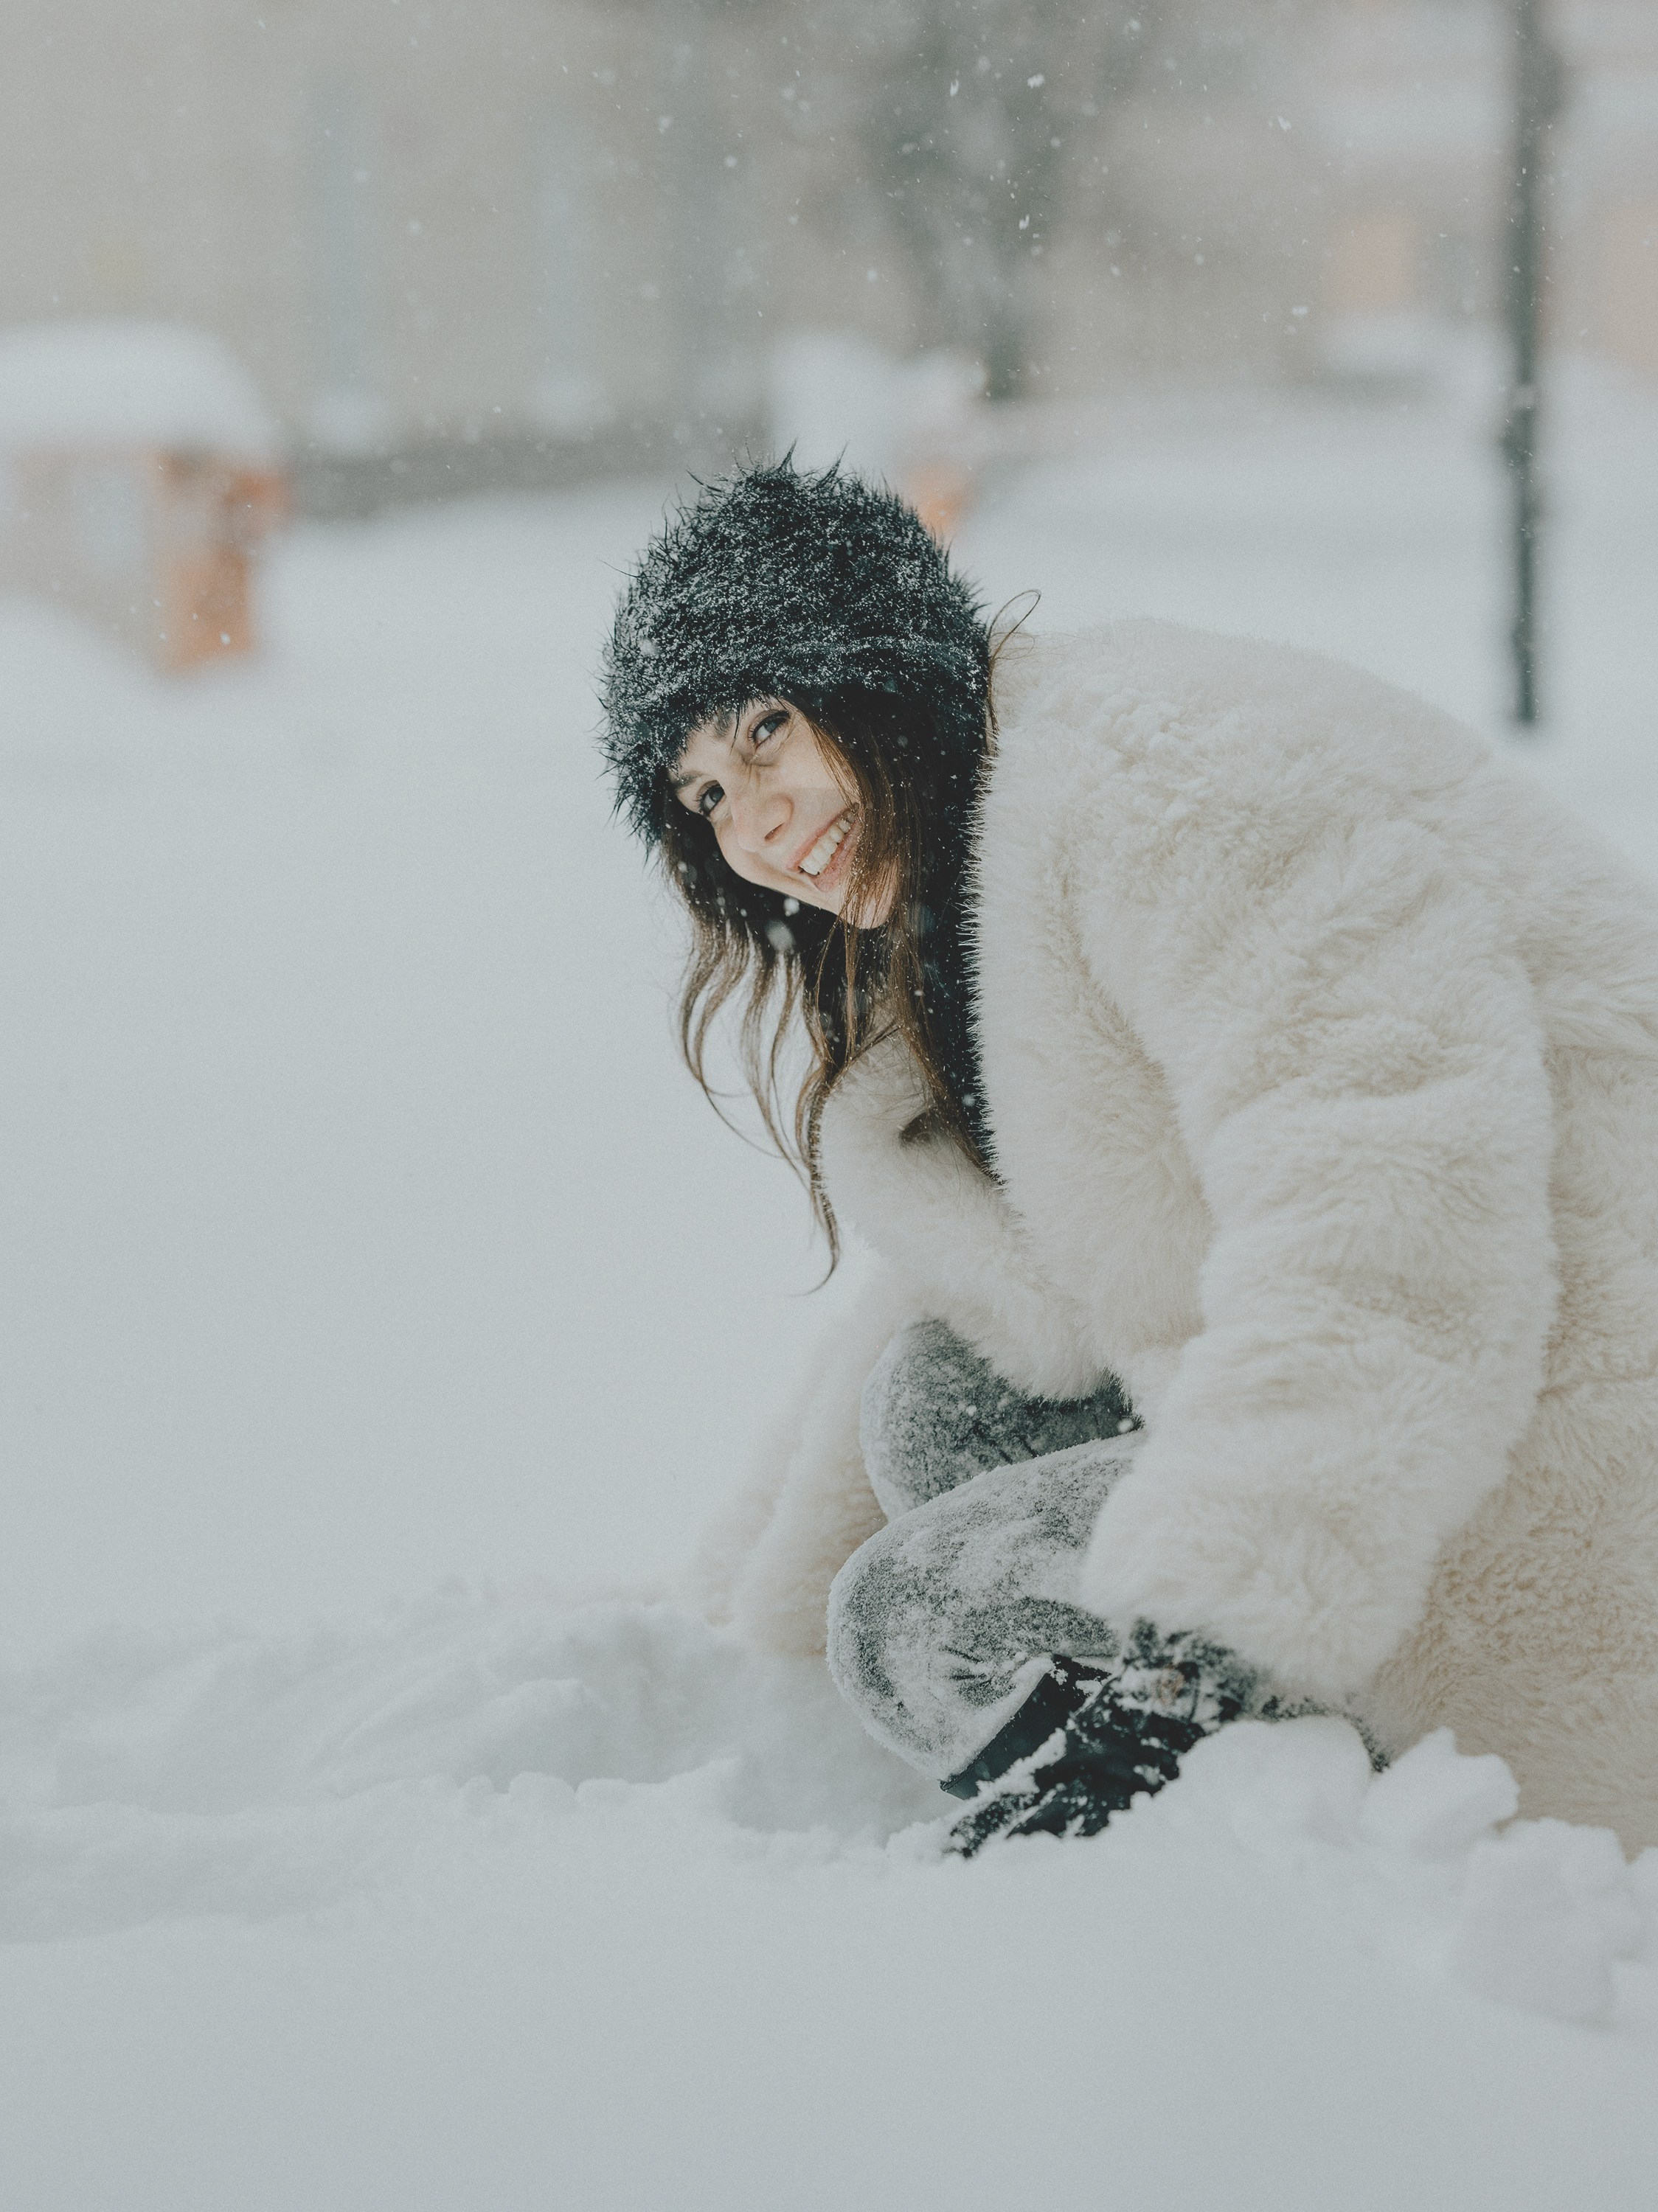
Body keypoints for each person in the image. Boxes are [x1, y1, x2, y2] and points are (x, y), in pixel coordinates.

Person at [597, 459, 1658, 1854]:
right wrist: (747, 1645)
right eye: (707, 797)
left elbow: (1396, 1211)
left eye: (769, 732)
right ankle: (1217, 1777)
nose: (760, 828)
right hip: (1442, 1373)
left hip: (1573, 1408)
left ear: (880, 665)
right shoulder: (976, 856)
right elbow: (959, 1281)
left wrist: (1207, 1637)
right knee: (937, 1403)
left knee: (920, 1617)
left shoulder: (1171, 787)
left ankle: (1301, 1862)